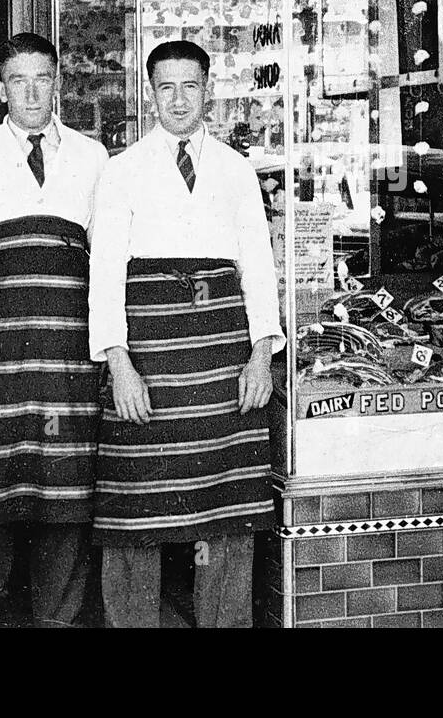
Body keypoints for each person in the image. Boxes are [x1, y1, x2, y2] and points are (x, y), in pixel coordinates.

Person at [88, 39, 283, 628]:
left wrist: (260, 358)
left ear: (208, 91)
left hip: (221, 358)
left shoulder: (235, 168)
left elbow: (258, 263)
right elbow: (105, 274)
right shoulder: (121, 170)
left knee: (228, 514)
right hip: (150, 355)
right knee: (135, 513)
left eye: (189, 86)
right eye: (166, 87)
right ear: (151, 94)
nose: (178, 99)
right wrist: (118, 364)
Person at [0, 33, 109, 628]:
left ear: (58, 83)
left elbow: (105, 258)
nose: (32, 91)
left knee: (68, 496)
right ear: (0, 90)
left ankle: (59, 620)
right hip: (2, 355)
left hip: (70, 353)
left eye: (43, 78)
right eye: (19, 80)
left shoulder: (94, 157)